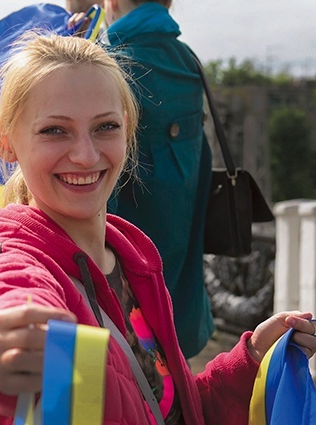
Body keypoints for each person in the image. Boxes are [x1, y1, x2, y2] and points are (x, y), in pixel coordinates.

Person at [0, 32, 316, 425]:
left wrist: (252, 358)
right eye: (54, 130)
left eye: (105, 127)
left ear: (128, 132)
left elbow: (161, 409)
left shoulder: (132, 258)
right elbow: (2, 300)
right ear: (6, 143)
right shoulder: (5, 255)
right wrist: (6, 347)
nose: (86, 154)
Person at [99, 0, 215, 358]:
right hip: (177, 249)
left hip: (123, 260)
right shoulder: (186, 59)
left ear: (113, 3)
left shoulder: (108, 64)